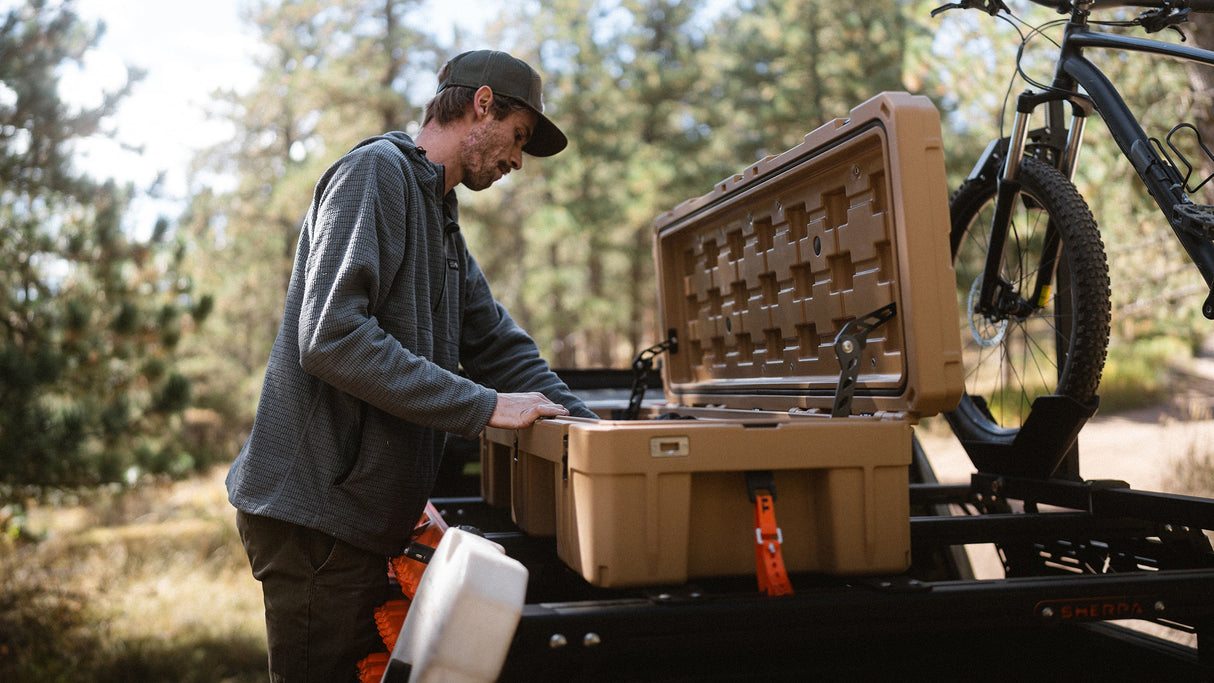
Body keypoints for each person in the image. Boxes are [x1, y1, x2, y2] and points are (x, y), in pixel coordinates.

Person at [226, 49, 596, 682]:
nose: (516, 160)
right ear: (482, 104)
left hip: (361, 520)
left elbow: (499, 345)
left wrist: (594, 430)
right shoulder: (376, 174)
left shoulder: (441, 219)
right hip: (315, 518)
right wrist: (483, 408)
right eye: (517, 137)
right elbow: (332, 336)